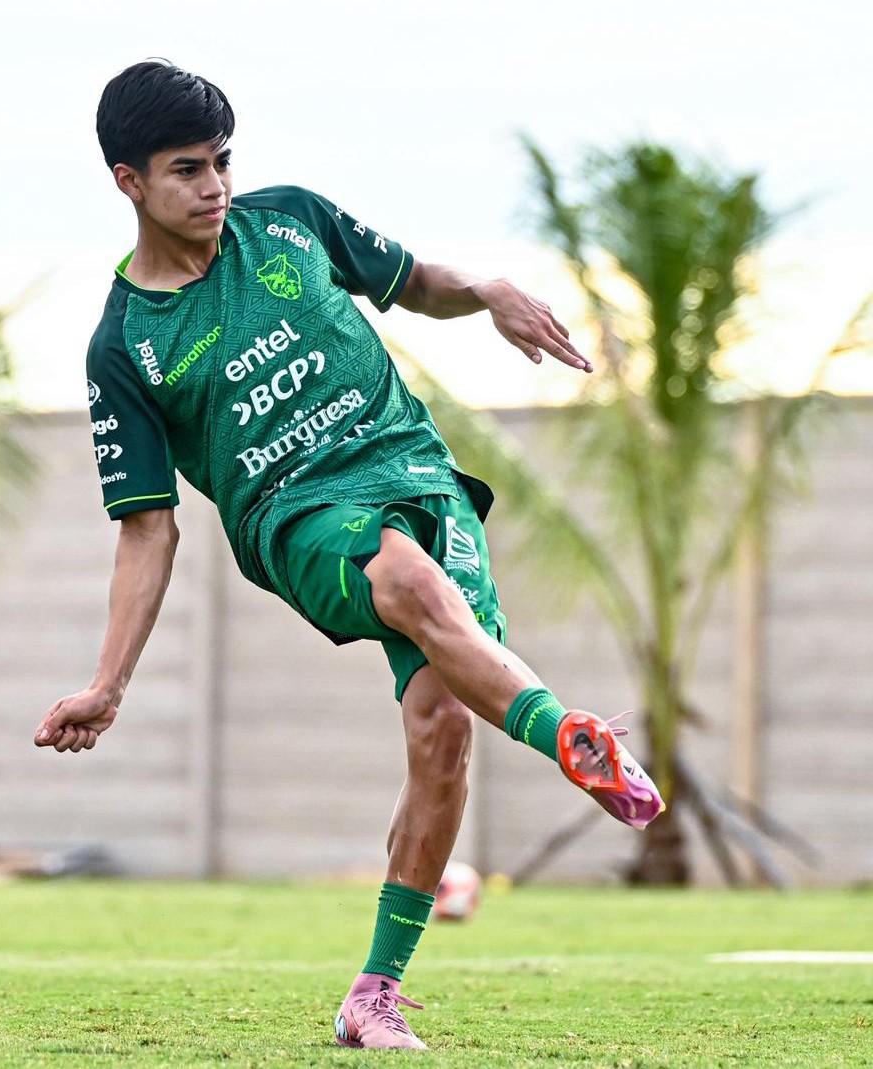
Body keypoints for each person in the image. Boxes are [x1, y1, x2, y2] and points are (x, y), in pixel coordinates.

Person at [34, 59, 664, 1051]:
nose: (214, 187)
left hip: (417, 473)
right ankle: (564, 734)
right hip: (296, 518)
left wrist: (490, 288)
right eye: (187, 169)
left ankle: (373, 993)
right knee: (406, 581)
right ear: (130, 183)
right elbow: (147, 528)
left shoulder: (288, 221)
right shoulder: (125, 346)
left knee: (441, 729)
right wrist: (108, 683)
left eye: (223, 162)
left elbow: (417, 283)